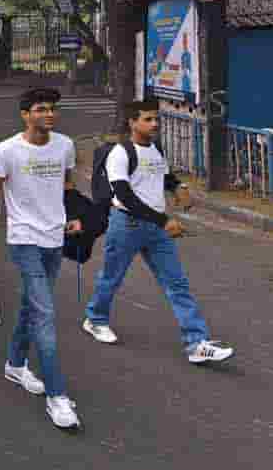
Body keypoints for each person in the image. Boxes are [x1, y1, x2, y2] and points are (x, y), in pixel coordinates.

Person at [84, 102, 233, 366]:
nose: (154, 124)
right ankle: (95, 319)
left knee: (177, 284)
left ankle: (196, 343)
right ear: (132, 122)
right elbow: (125, 196)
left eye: (156, 119)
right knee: (111, 277)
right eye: (147, 119)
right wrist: (163, 220)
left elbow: (163, 176)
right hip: (127, 224)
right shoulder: (120, 153)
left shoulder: (156, 148)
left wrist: (179, 187)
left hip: (156, 228)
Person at [0, 88, 82, 431]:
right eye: (41, 109)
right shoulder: (7, 150)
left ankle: (15, 363)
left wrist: (75, 214)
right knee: (44, 313)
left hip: (54, 237)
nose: (49, 114)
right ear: (25, 115)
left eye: (52, 109)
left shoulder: (65, 145)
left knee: (32, 306)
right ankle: (57, 396)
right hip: (24, 238)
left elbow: (67, 184)